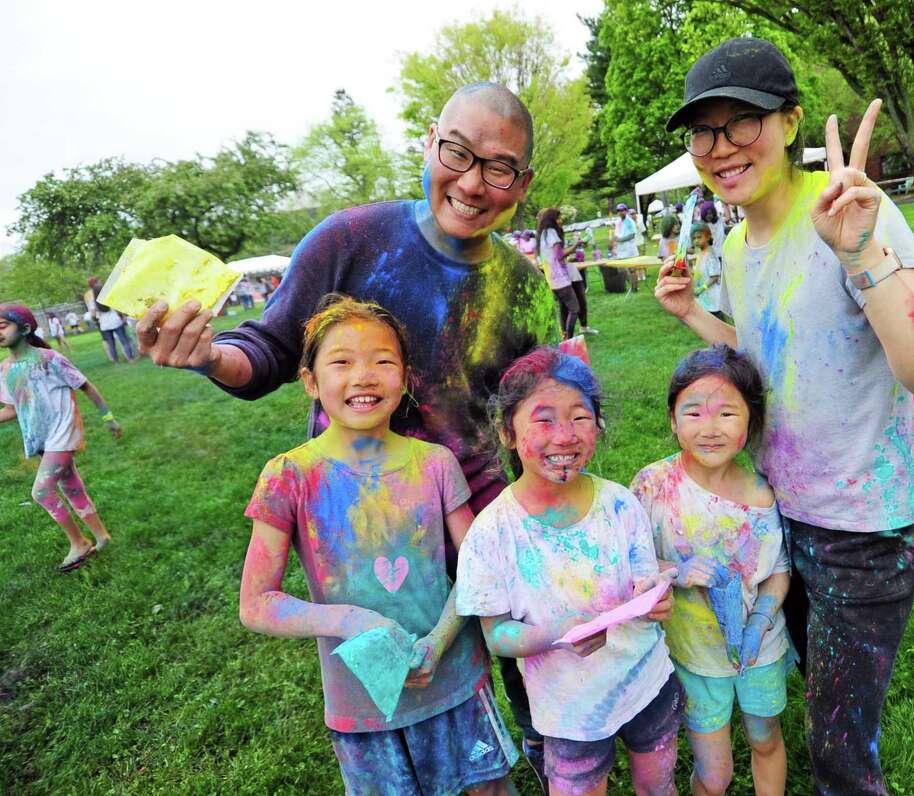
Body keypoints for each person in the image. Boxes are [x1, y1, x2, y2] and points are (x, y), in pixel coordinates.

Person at [135, 82, 559, 789]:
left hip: (483, 530)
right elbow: (268, 350)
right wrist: (209, 355)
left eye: (500, 167)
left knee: (525, 701)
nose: (474, 181)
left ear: (522, 184)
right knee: (389, 719)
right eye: (458, 152)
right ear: (429, 141)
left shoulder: (526, 288)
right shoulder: (351, 239)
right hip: (369, 538)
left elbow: (534, 417)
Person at [656, 37, 914, 794]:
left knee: (840, 753)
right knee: (812, 695)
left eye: (743, 123)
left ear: (790, 123)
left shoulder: (851, 211)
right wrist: (697, 315)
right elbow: (768, 354)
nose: (721, 147)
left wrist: (860, 252)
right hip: (782, 515)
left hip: (866, 527)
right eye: (705, 131)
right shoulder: (733, 245)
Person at [239, 295, 517, 795]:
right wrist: (350, 620)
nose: (363, 376)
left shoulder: (435, 463)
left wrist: (441, 639)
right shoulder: (288, 477)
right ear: (310, 381)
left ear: (406, 376)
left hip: (456, 680)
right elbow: (256, 604)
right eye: (341, 362)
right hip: (363, 702)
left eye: (382, 361)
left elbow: (480, 567)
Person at [455, 347, 680, 796]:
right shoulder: (491, 533)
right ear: (507, 432)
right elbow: (497, 635)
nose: (565, 436)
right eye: (544, 420)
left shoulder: (619, 502)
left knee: (658, 787)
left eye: (580, 418)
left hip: (647, 684)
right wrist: (557, 632)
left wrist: (654, 594)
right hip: (568, 709)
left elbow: (642, 574)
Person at [632, 345, 790, 796]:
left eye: (726, 413)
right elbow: (630, 562)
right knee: (714, 773)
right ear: (673, 420)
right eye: (694, 413)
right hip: (694, 655)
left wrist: (761, 617)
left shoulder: (762, 495)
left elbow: (777, 568)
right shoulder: (652, 485)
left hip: (762, 650)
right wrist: (675, 571)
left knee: (765, 738)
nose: (710, 428)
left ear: (750, 421)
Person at [0, 304, 121, 572]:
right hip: (42, 439)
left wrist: (108, 417)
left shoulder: (50, 359)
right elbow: (11, 409)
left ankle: (78, 542)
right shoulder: (5, 369)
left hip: (63, 434)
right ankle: (102, 537)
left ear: (25, 328)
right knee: (72, 488)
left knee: (41, 491)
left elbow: (85, 385)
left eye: (3, 326)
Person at [537, 208, 589, 340]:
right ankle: (569, 339)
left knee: (564, 308)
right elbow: (559, 255)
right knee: (574, 309)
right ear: (552, 219)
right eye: (558, 218)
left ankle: (565, 336)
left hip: (552, 277)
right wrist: (575, 245)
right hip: (559, 278)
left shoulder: (543, 234)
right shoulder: (552, 232)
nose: (560, 220)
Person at [692, 226, 725, 323]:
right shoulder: (701, 253)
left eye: (699, 237)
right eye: (694, 238)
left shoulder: (711, 254)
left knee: (718, 322)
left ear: (707, 237)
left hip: (712, 296)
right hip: (704, 297)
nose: (696, 240)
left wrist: (702, 288)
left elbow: (714, 277)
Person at [612, 203, 643, 293]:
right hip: (621, 250)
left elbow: (632, 235)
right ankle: (632, 285)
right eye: (618, 211)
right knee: (621, 269)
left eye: (622, 210)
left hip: (630, 249)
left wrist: (621, 239)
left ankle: (635, 288)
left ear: (626, 211)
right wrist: (615, 242)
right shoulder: (617, 222)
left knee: (632, 269)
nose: (620, 212)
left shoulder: (630, 221)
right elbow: (616, 234)